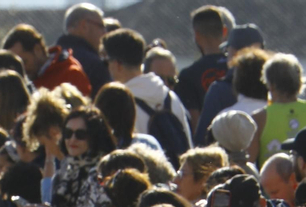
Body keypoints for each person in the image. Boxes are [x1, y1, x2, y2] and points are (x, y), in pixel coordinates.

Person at [102, 29, 190, 158]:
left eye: (106, 62)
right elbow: (188, 145)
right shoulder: (170, 97)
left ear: (117, 64)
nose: (107, 67)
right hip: (175, 176)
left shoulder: (117, 103)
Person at [175, 5, 232, 126]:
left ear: (197, 35)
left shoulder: (187, 76)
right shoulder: (239, 68)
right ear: (225, 31)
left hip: (209, 143)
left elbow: (195, 123)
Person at [0, 24, 90, 95]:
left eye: (24, 62)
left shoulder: (70, 74)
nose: (22, 70)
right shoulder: (22, 82)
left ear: (37, 50)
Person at [57, 4, 110, 92]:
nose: (105, 33)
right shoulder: (95, 65)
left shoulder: (49, 60)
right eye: (101, 26)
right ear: (84, 25)